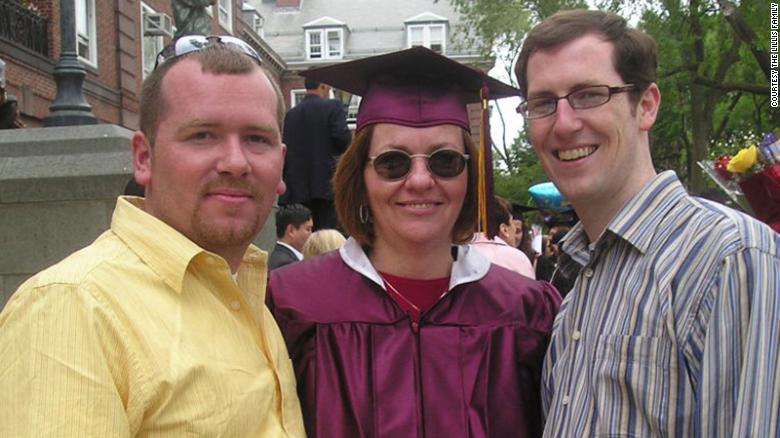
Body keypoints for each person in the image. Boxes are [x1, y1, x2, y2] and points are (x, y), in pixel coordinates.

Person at [0, 35, 305, 436]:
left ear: (280, 165)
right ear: (144, 158)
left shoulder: (249, 298)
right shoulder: (73, 307)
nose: (235, 162)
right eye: (203, 135)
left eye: (256, 139)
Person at [267, 47, 561, 437]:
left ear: (470, 175)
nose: (420, 180)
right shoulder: (290, 304)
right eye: (393, 163)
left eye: (444, 161)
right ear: (362, 176)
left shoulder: (527, 313)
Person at [514, 10, 780, 437]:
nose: (563, 123)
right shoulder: (576, 297)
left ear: (646, 106)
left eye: (589, 94)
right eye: (544, 103)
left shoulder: (729, 257)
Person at [280, 77, 352, 230]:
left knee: (301, 238)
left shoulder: (291, 115)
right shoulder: (333, 107)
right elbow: (342, 141)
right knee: (325, 239)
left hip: (295, 188)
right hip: (324, 185)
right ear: (324, 86)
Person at [472, 195, 536, 278]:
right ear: (504, 229)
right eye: (512, 224)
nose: (515, 234)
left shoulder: (456, 254)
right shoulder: (516, 258)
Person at [269, 203, 313, 270]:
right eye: (308, 229)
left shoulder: (280, 257)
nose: (311, 234)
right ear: (291, 230)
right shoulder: (286, 264)